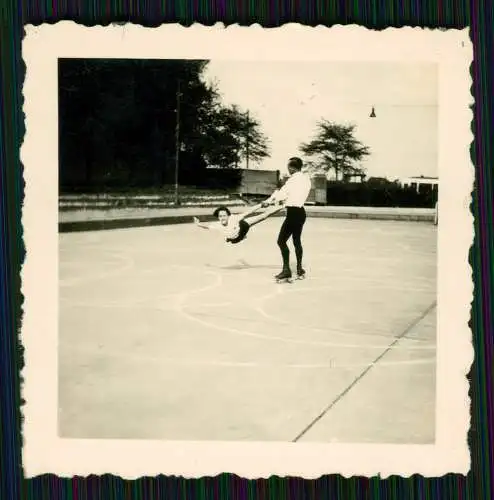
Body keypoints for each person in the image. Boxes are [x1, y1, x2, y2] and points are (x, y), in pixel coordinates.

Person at [263, 157, 312, 281]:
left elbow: (282, 194)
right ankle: (300, 269)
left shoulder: (292, 180)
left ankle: (286, 270)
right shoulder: (306, 179)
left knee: (281, 241)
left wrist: (269, 201)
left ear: (291, 167)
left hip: (293, 213)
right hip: (301, 213)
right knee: (296, 241)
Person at [193, 200, 283, 244]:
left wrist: (261, 205)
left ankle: (282, 206)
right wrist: (198, 224)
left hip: (242, 227)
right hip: (235, 239)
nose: (222, 218)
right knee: (232, 240)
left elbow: (249, 211)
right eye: (220, 216)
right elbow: (207, 227)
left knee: (263, 216)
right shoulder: (217, 225)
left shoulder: (234, 218)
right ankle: (240, 237)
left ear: (228, 216)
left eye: (224, 216)